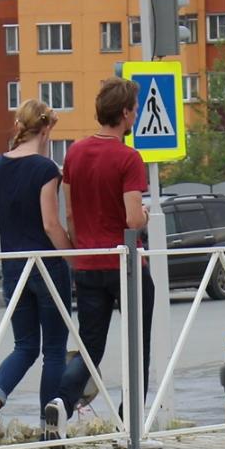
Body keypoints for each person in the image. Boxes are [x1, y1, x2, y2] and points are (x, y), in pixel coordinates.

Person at [0, 99, 76, 446]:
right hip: (46, 267)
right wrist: (72, 255)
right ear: (45, 129)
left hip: (13, 266)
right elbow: (50, 223)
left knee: (24, 346)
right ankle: (51, 427)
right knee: (55, 350)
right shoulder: (46, 169)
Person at [57, 77, 150, 422]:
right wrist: (146, 217)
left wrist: (79, 250)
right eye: (135, 110)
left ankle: (60, 404)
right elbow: (131, 218)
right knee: (136, 347)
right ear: (124, 113)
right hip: (124, 265)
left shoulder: (75, 153)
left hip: (87, 264)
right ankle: (131, 426)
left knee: (89, 348)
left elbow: (69, 213)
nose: (136, 115)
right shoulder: (128, 158)